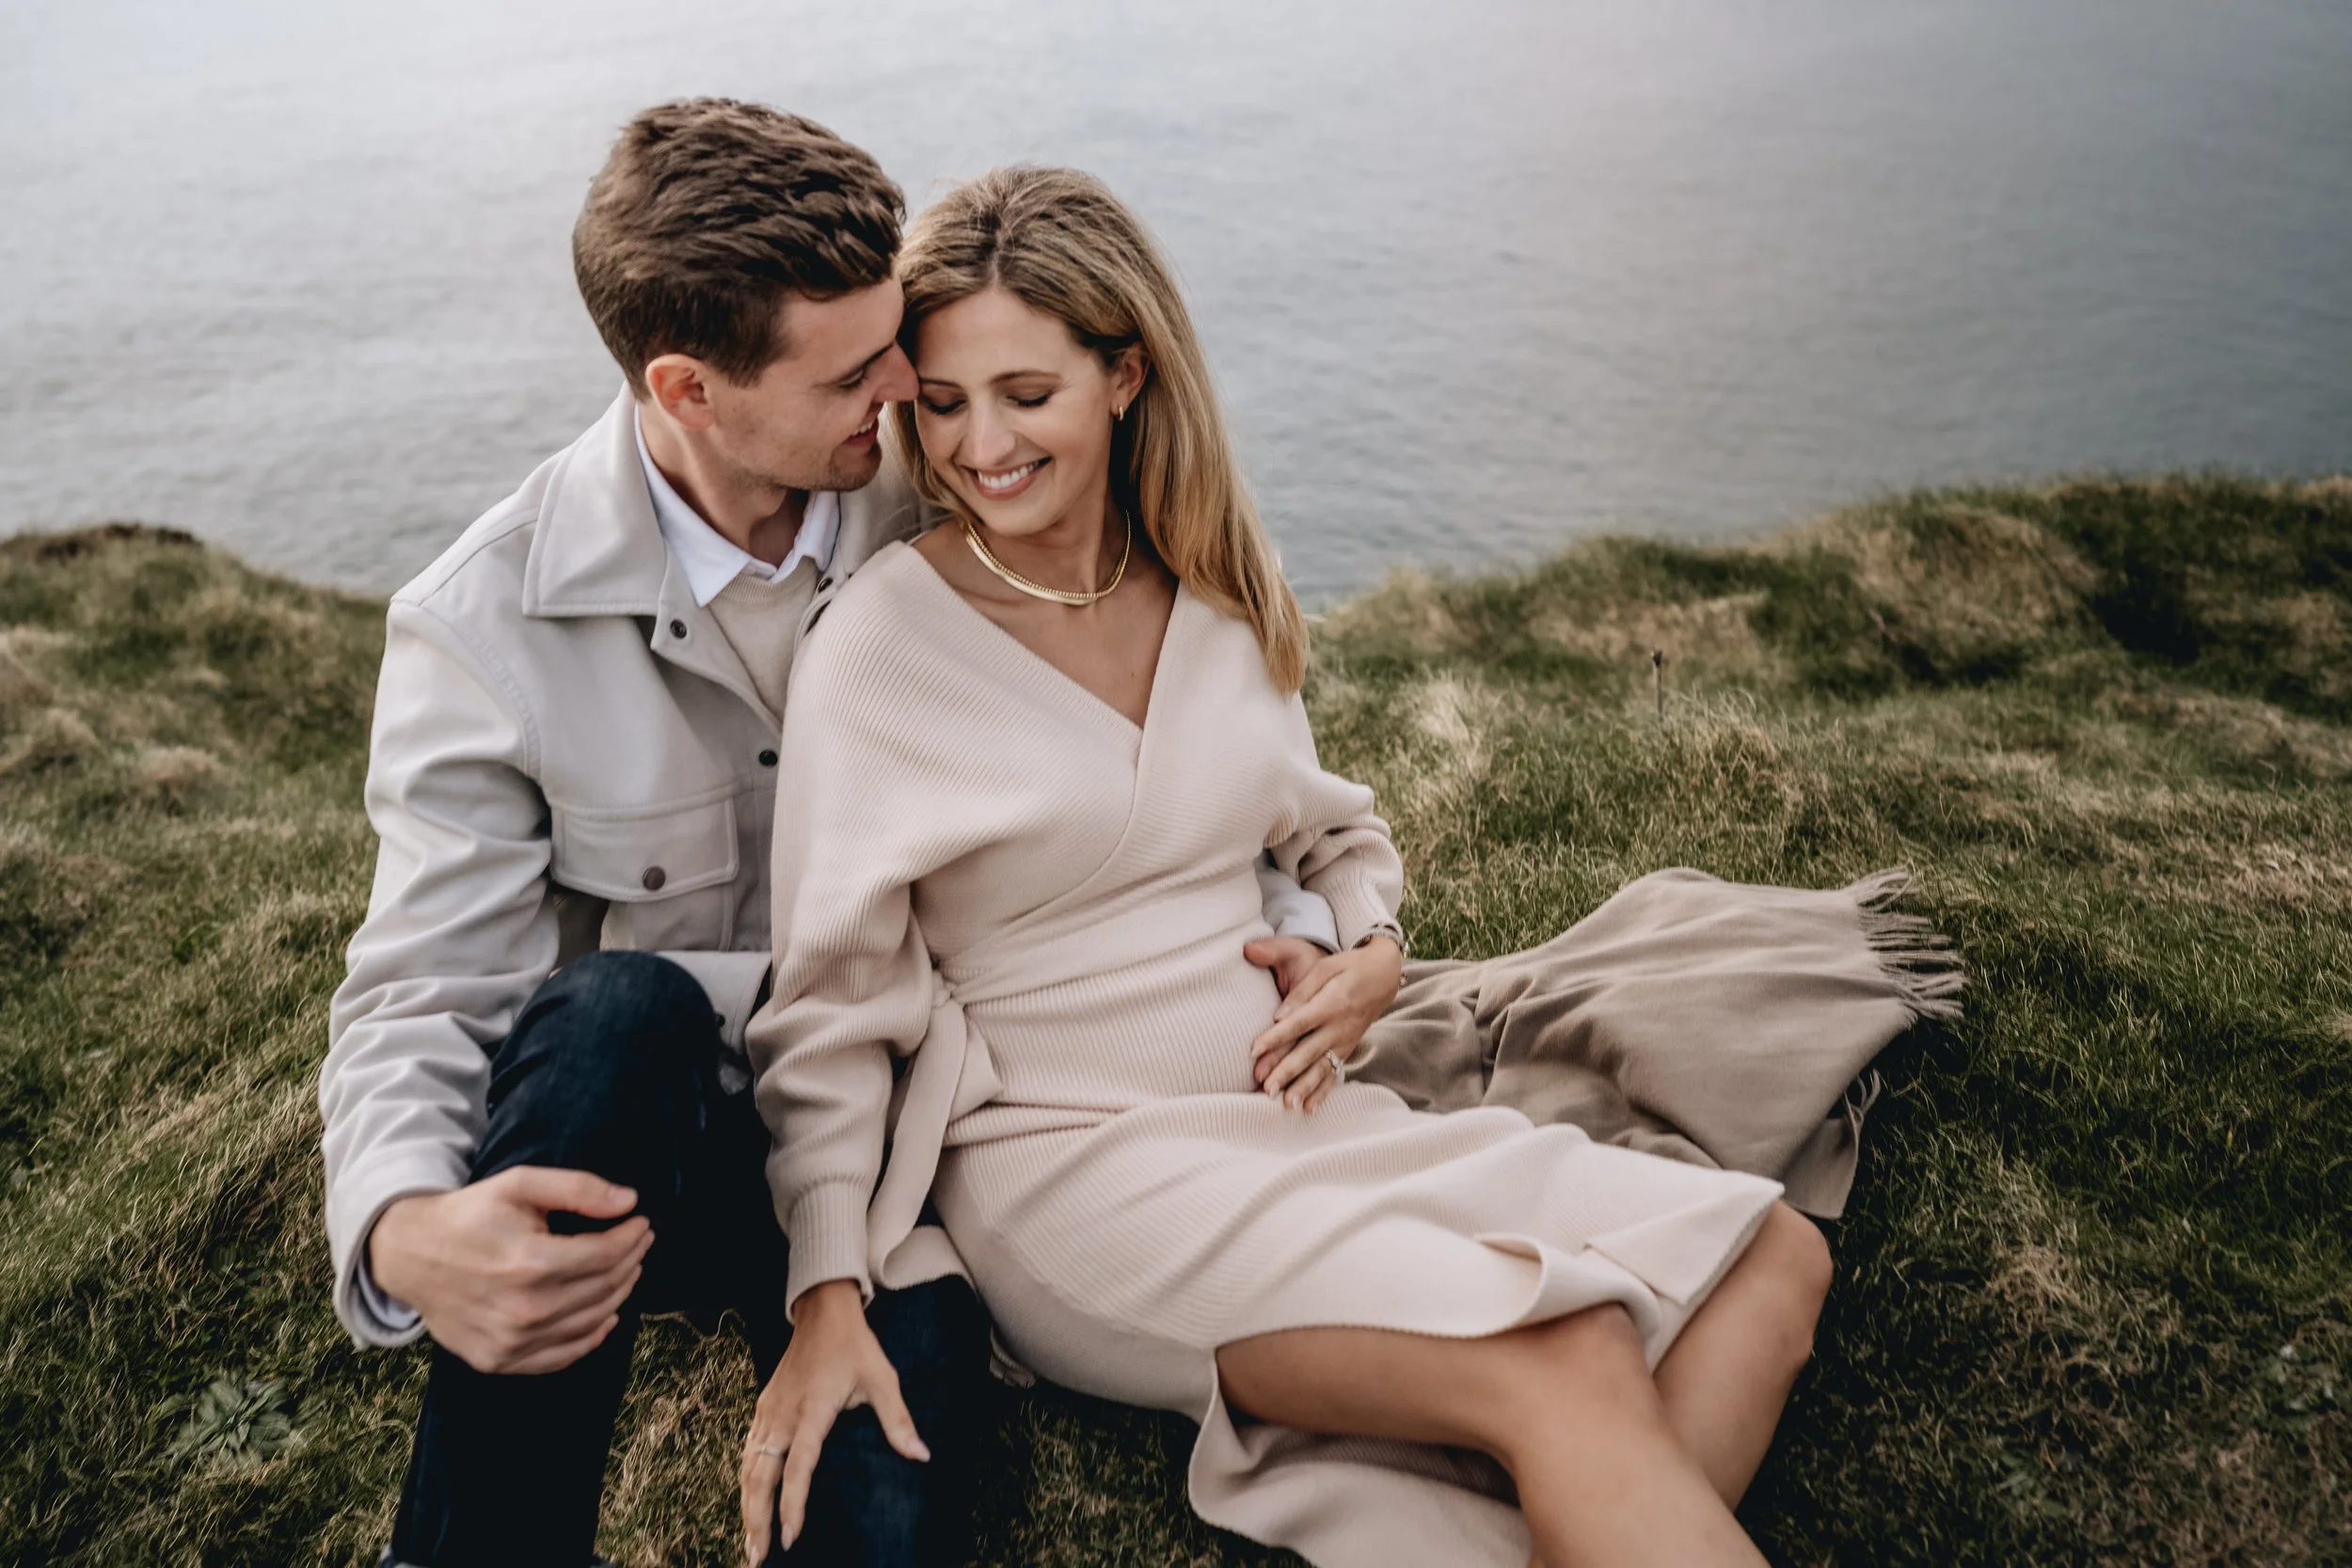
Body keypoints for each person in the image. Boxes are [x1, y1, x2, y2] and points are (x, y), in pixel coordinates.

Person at [738, 166, 1953, 1568]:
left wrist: (1373, 953)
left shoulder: (1210, 592)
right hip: (1076, 1169)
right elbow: (827, 1004)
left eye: (1027, 393)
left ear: (1126, 374)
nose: (978, 445)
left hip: (1304, 1116)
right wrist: (827, 1278)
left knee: (1773, 1256)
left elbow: (1329, 829)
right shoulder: (882, 646)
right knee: (1561, 1359)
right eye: (939, 404)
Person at [319, 103, 1350, 1568]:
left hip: (908, 1142)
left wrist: (1307, 935)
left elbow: (1162, 761)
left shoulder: (953, 485)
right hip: (654, 1136)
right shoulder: (482, 627)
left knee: (877, 1504)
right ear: (686, 385)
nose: (909, 389)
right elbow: (422, 988)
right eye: (858, 370)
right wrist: (404, 1226)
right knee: (617, 1009)